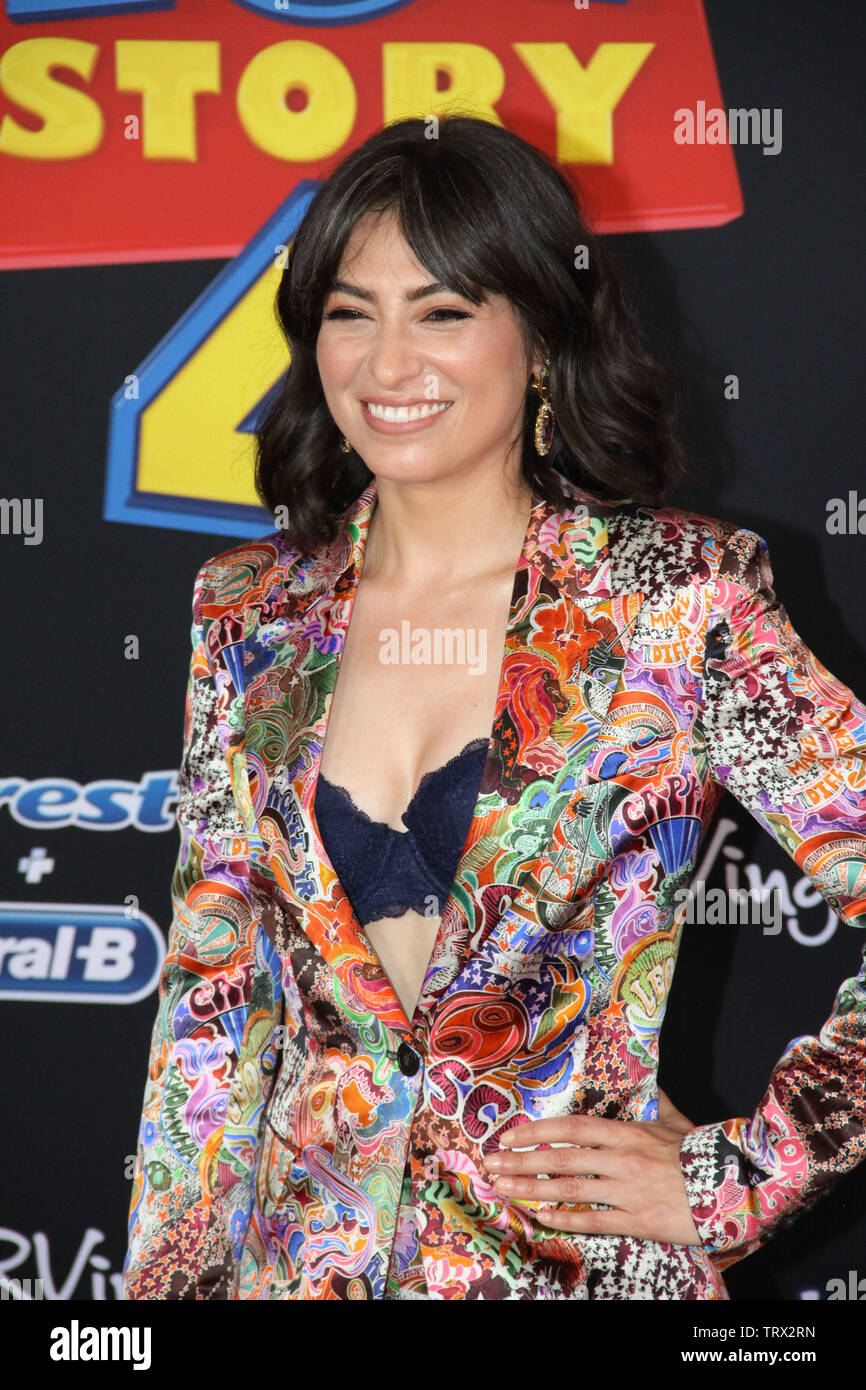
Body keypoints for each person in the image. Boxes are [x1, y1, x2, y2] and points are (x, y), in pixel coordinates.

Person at [122, 114, 866, 1301]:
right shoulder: (246, 612)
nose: (384, 363)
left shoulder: (676, 601)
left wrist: (746, 1170)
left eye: (443, 311)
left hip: (570, 1272)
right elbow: (214, 1008)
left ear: (541, 337)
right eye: (348, 312)